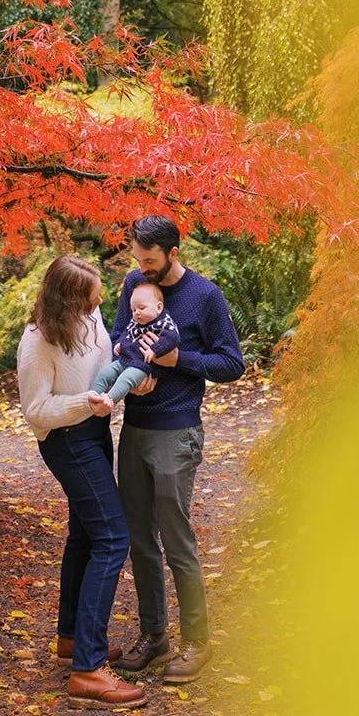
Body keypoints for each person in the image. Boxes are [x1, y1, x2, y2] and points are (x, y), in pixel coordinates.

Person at [113, 215, 245, 683]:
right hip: (135, 427)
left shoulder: (205, 296)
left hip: (177, 432)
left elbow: (232, 363)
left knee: (176, 539)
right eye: (137, 258)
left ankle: (197, 641)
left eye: (149, 260)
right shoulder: (135, 283)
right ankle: (155, 636)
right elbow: (117, 338)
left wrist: (177, 359)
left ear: (173, 252)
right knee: (140, 541)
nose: (141, 268)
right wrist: (133, 374)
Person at [16, 254, 146, 709]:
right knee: (112, 538)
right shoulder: (37, 343)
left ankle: (72, 638)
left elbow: (107, 362)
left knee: (86, 535)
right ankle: (88, 672)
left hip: (93, 430)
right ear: (66, 301)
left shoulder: (88, 319)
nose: (100, 302)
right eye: (91, 297)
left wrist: (132, 378)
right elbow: (36, 412)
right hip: (67, 440)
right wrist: (83, 404)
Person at [89, 281, 180, 411]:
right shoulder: (136, 321)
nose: (136, 313)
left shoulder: (163, 323)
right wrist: (120, 344)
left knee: (126, 379)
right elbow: (126, 332)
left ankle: (110, 399)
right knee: (106, 373)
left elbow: (172, 338)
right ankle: (93, 394)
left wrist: (155, 350)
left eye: (141, 308)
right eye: (133, 310)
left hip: (143, 365)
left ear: (158, 307)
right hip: (126, 358)